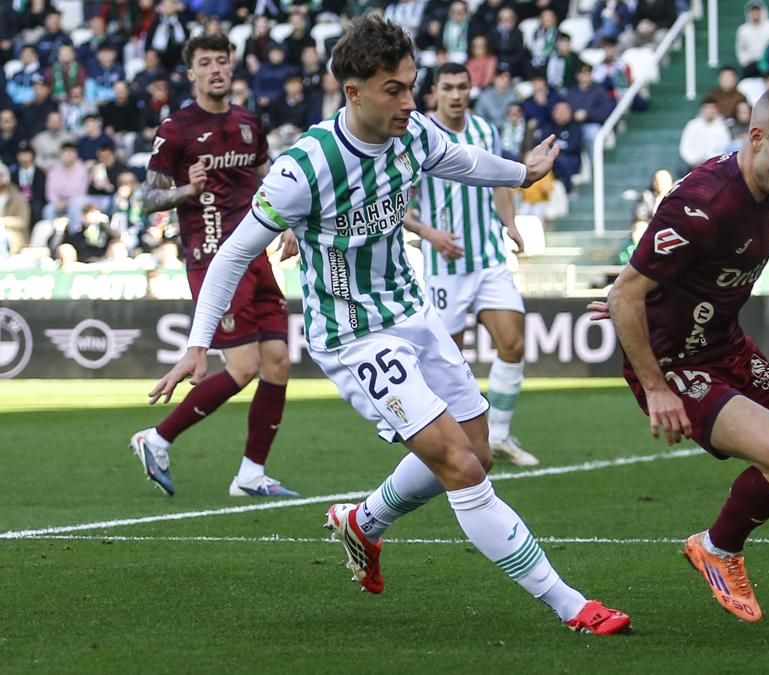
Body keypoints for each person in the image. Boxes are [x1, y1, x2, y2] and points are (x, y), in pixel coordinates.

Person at [151, 16, 630, 635]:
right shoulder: (306, 167)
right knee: (461, 463)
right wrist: (197, 343)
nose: (410, 100)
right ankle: (571, 604)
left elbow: (459, 159)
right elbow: (235, 253)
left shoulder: (413, 132)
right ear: (353, 92)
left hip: (414, 313)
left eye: (411, 85)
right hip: (354, 336)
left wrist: (522, 173)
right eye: (394, 89)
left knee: (477, 447)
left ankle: (363, 522)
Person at [593, 83, 769, 632]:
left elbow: (645, 286)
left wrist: (645, 292)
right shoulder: (704, 201)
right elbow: (625, 295)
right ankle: (716, 547)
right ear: (757, 138)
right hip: (676, 362)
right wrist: (658, 388)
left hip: (725, 344)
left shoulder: (766, 189)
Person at [129, 34, 300, 499]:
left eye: (222, 61)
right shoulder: (177, 128)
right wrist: (185, 190)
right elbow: (147, 199)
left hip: (257, 252)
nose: (216, 69)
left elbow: (270, 181)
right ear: (192, 74)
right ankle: (157, 438)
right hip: (211, 258)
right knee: (244, 366)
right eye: (206, 63)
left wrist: (290, 220)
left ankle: (250, 475)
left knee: (279, 362)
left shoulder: (249, 123)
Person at [405, 62, 540, 467]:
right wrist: (431, 234)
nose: (456, 95)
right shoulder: (419, 134)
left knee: (513, 342)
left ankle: (498, 434)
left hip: (489, 259)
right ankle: (452, 441)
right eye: (448, 88)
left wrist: (511, 223)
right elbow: (399, 202)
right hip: (445, 266)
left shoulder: (485, 131)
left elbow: (500, 180)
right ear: (435, 93)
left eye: (462, 87)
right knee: (450, 362)